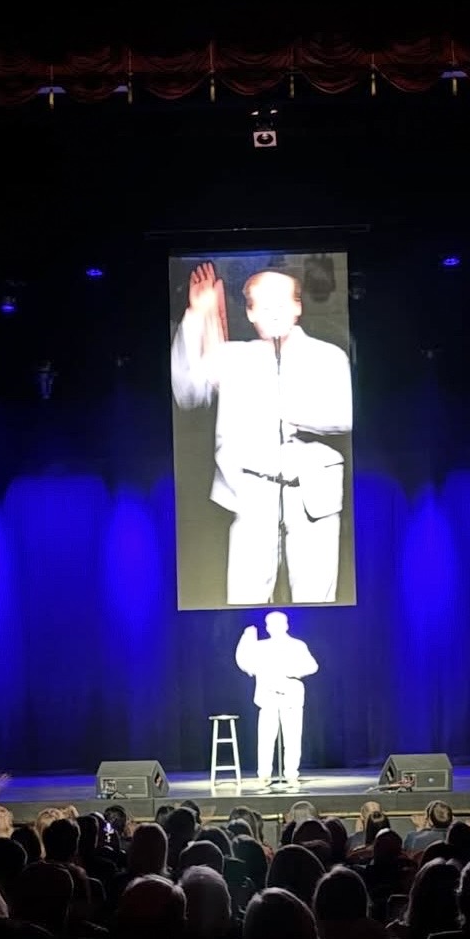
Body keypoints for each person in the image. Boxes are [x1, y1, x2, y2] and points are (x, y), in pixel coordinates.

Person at [172, 262, 352, 603]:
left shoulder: (329, 357)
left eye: (282, 303)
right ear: (250, 312)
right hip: (251, 498)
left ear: (298, 307)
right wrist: (197, 315)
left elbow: (344, 416)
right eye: (264, 306)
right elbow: (186, 391)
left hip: (314, 499)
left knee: (316, 602)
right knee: (246, 602)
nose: (274, 313)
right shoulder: (233, 357)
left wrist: (285, 409)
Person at [235, 613, 318, 789]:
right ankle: (264, 774)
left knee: (292, 738)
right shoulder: (261, 647)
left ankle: (291, 774)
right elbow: (244, 662)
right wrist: (247, 639)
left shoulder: (296, 645)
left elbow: (312, 666)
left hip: (291, 697)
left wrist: (294, 671)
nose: (273, 627)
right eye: (270, 624)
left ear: (286, 625)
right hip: (268, 697)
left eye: (278, 624)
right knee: (266, 738)